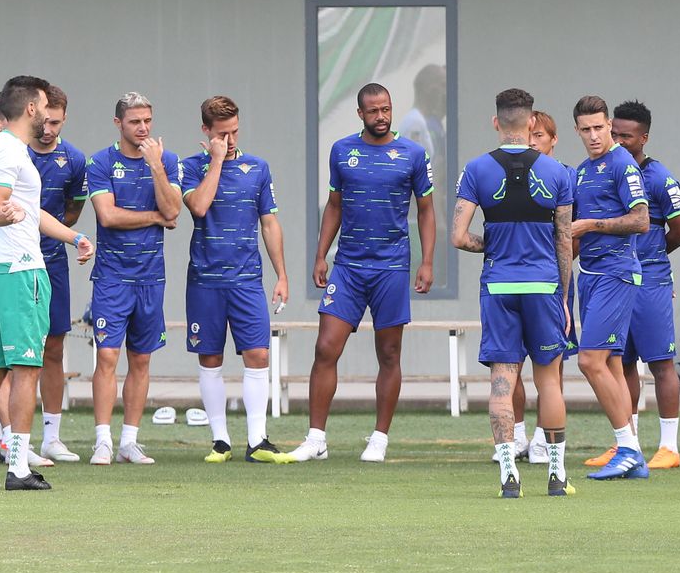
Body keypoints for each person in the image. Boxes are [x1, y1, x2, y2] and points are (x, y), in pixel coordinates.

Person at [289, 83, 436, 464]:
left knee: (388, 353)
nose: (381, 116)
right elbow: (334, 206)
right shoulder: (342, 150)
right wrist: (321, 255)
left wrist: (427, 261)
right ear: (361, 114)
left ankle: (379, 438)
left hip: (391, 266)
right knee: (325, 347)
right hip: (349, 266)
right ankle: (316, 438)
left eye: (386, 109)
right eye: (373, 110)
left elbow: (426, 211)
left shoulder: (413, 153)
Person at [0, 76, 94, 491]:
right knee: (26, 368)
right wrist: (4, 214)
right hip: (19, 270)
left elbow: (28, 208)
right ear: (30, 109)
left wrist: (74, 236)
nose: (47, 113)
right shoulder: (8, 149)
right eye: (43, 106)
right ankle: (19, 468)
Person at [453, 88, 575, 498]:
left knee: (502, 383)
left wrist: (491, 244)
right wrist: (564, 297)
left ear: (495, 123)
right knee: (550, 382)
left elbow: (457, 236)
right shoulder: (559, 174)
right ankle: (557, 476)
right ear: (531, 125)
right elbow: (564, 242)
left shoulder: (476, 169)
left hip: (499, 286)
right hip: (544, 287)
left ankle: (509, 476)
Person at [180, 96, 292, 463]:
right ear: (206, 132)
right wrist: (215, 161)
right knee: (210, 357)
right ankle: (220, 441)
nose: (230, 139)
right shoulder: (190, 166)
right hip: (205, 280)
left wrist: (282, 275)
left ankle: (257, 440)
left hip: (247, 279)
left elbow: (269, 223)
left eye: (235, 131)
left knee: (258, 354)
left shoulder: (257, 168)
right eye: (222, 134)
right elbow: (198, 206)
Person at [86, 92, 182, 465]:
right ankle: (102, 441)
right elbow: (108, 217)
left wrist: (156, 166)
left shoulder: (167, 161)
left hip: (151, 278)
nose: (143, 128)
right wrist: (155, 217)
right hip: (112, 276)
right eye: (134, 122)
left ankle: (129, 441)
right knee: (107, 355)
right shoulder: (101, 162)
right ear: (118, 124)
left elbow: (174, 210)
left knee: (141, 359)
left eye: (147, 121)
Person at [603, 101, 680, 470]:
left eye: (627, 136)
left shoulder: (659, 178)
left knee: (661, 363)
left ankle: (669, 447)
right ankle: (627, 443)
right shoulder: (604, 172)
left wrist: (651, 259)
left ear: (644, 137)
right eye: (615, 134)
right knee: (620, 362)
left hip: (650, 279)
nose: (619, 141)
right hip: (616, 277)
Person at [569, 95, 651, 481]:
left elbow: (641, 221)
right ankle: (632, 452)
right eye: (586, 129)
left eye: (599, 128)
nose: (593, 136)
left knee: (589, 361)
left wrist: (589, 226)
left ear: (609, 126)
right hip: (591, 274)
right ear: (578, 131)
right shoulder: (583, 171)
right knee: (612, 364)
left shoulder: (622, 163)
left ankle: (629, 448)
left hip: (616, 273)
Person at [27, 85, 88, 462]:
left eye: (55, 122)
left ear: (64, 118)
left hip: (53, 261)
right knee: (12, 349)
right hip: (12, 261)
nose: (48, 129)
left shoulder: (75, 159)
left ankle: (51, 436)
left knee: (53, 346)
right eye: (43, 121)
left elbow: (72, 213)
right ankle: (7, 436)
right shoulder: (13, 152)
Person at [519, 110, 567, 467]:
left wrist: (564, 290)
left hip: (552, 280)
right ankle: (516, 433)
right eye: (529, 134)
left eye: (540, 136)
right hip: (511, 279)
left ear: (553, 140)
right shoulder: (510, 172)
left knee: (550, 364)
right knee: (509, 360)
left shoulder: (562, 176)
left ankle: (543, 439)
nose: (533, 141)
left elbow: (568, 235)